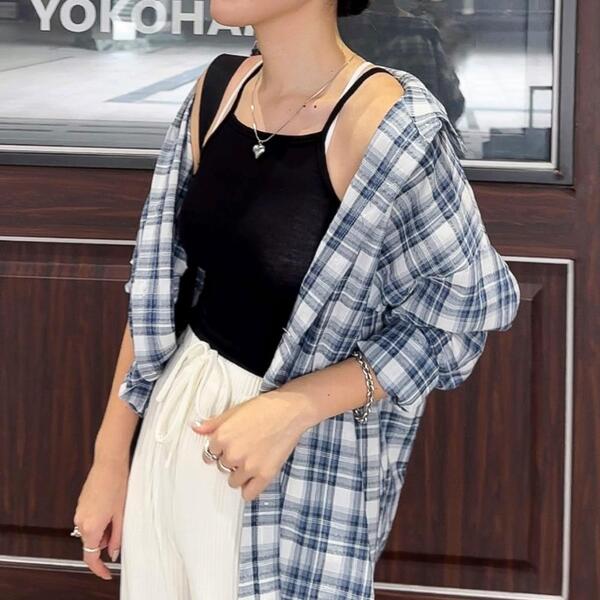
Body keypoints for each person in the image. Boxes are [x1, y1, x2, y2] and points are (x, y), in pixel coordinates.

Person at [72, 0, 521, 598]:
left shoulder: (390, 125)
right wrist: (110, 458)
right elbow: (158, 289)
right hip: (173, 420)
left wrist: (295, 407)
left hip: (291, 470)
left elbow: (457, 321)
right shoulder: (217, 91)